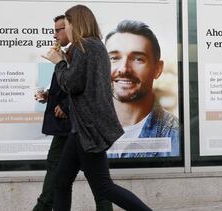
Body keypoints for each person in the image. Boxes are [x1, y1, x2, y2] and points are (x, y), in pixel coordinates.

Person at [41, 5, 152, 211]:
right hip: (84, 128)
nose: (67, 30)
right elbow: (83, 83)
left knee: (103, 187)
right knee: (61, 182)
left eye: (68, 25)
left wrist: (58, 63)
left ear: (77, 24)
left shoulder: (86, 47)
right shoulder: (92, 46)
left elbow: (72, 84)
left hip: (88, 127)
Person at [33, 15, 113, 211]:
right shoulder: (73, 51)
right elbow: (69, 84)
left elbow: (81, 85)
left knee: (97, 183)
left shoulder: (83, 49)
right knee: (66, 179)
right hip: (74, 127)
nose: (56, 34)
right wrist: (50, 95)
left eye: (61, 29)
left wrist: (66, 105)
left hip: (78, 125)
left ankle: (42, 207)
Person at [105, 20, 179, 158]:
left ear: (157, 69)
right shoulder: (85, 129)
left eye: (138, 59)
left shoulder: (176, 136)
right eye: (114, 58)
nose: (124, 69)